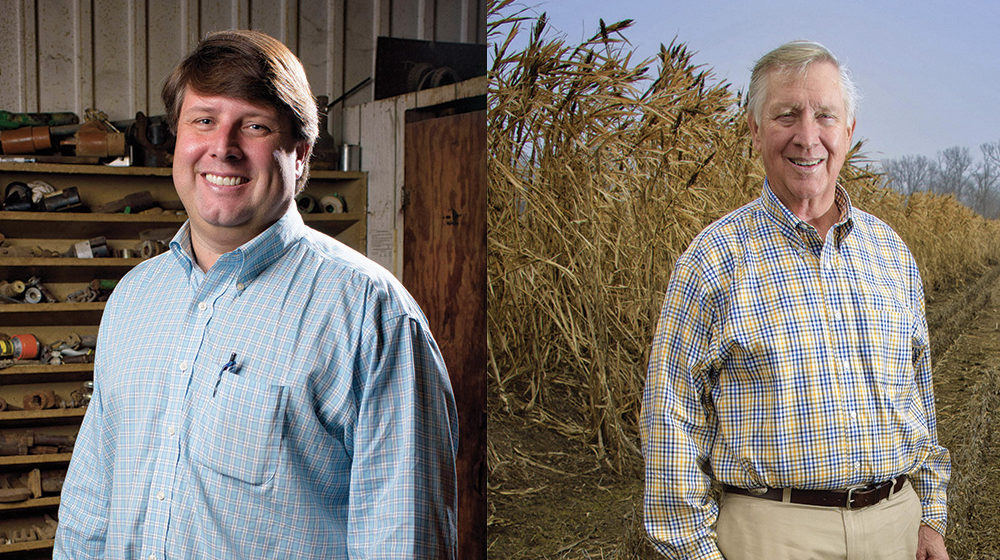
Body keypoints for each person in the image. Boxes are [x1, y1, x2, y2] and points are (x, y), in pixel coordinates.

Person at [54, 30, 459, 559]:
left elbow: (404, 545)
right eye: (203, 120)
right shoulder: (134, 298)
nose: (222, 147)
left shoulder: (369, 316)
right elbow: (90, 506)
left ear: (300, 155)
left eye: (255, 126)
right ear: (177, 138)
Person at [640, 40, 950, 560]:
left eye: (825, 116)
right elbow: (669, 418)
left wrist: (930, 519)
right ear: (756, 130)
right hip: (772, 538)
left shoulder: (891, 253)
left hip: (896, 526)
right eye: (787, 115)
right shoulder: (713, 259)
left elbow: (920, 397)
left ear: (848, 131)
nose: (808, 137)